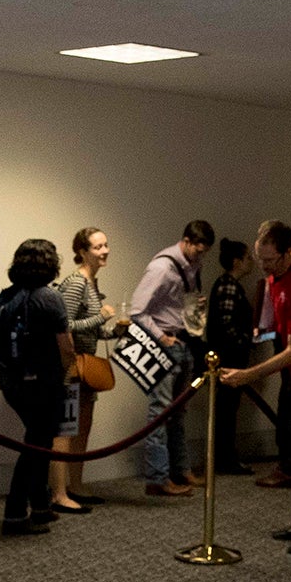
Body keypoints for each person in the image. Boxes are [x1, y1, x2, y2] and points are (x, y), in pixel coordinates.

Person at [221, 221, 291, 549]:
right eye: (260, 259)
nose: (263, 267)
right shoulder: (275, 277)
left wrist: (247, 374)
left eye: (269, 261)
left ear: (287, 253)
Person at [0, 239, 75, 535]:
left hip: (11, 381)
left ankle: (40, 506)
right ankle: (14, 514)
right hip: (43, 383)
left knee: (38, 441)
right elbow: (66, 346)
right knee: (35, 445)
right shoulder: (49, 298)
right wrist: (69, 373)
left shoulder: (8, 295)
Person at [128, 219, 214, 497]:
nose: (201, 256)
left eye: (204, 252)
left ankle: (180, 469)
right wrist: (161, 337)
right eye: (198, 250)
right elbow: (137, 311)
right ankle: (157, 477)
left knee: (177, 413)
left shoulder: (191, 266)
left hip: (184, 340)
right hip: (165, 343)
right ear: (186, 241)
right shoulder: (162, 267)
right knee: (160, 412)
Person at [52, 227, 131, 513]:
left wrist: (115, 331)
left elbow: (92, 332)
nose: (105, 251)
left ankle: (76, 485)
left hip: (86, 367)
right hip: (71, 367)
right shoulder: (76, 283)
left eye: (106, 245)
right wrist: (101, 317)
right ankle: (59, 493)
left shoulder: (92, 283)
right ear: (83, 252)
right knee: (65, 431)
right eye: (97, 247)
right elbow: (64, 325)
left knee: (82, 429)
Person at [203, 238, 258, 476]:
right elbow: (225, 323)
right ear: (237, 261)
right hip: (228, 359)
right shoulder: (229, 286)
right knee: (226, 410)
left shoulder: (228, 285)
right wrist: (244, 339)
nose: (251, 262)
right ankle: (225, 459)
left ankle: (224, 457)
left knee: (226, 409)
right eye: (247, 257)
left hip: (226, 357)